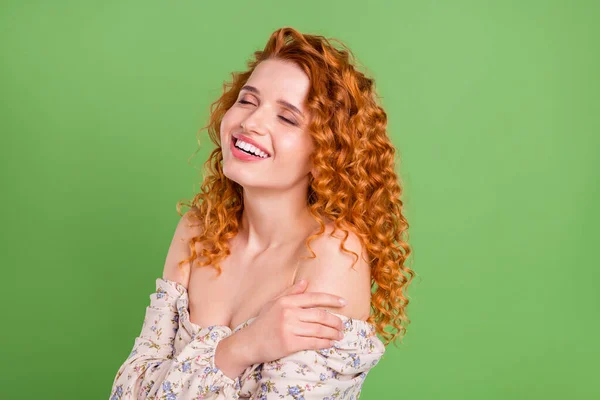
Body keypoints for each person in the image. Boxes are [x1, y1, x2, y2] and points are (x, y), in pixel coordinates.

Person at [110, 26, 414, 399]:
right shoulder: (199, 230)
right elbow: (127, 390)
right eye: (247, 101)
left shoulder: (333, 254)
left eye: (287, 118)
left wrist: (179, 376)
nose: (250, 123)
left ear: (326, 155)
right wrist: (241, 348)